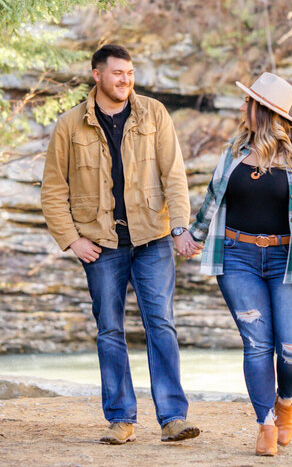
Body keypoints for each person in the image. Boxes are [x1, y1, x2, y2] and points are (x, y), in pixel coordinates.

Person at [41, 44, 202, 445]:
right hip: (100, 245)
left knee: (160, 324)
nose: (125, 80)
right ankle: (121, 419)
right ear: (97, 75)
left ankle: (173, 418)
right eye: (117, 73)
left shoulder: (154, 114)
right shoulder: (69, 126)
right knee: (109, 329)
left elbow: (175, 176)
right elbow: (52, 191)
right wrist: (72, 240)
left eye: (129, 73)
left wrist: (180, 227)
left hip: (153, 239)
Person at [188, 72, 292, 456]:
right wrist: (194, 235)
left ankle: (285, 401)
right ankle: (265, 425)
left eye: (247, 102)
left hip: (288, 258)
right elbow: (213, 196)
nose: (242, 108)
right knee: (256, 343)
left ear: (264, 110)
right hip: (236, 256)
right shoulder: (235, 148)